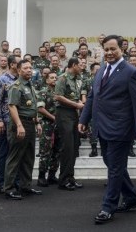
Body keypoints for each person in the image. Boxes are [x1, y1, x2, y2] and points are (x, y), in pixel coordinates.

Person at [79, 35, 136, 225]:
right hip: (101, 126)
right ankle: (131, 198)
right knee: (113, 164)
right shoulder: (101, 70)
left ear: (122, 49)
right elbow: (92, 97)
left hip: (121, 128)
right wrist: (84, 119)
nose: (109, 52)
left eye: (113, 49)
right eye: (106, 49)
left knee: (115, 168)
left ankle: (108, 207)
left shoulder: (131, 72)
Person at [4, 59, 43, 200]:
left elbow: (33, 107)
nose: (29, 70)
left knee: (29, 157)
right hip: (19, 124)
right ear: (19, 70)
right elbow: (12, 106)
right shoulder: (16, 86)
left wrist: (37, 122)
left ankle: (25, 186)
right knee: (15, 157)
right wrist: (19, 125)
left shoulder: (30, 86)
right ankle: (8, 188)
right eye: (26, 68)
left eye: (30, 68)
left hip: (30, 123)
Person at [0, 55, 20, 193]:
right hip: (6, 121)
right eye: (20, 63)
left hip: (19, 121)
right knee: (3, 152)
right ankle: (2, 181)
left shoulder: (21, 79)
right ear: (13, 65)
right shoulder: (2, 79)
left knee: (16, 153)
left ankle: (15, 181)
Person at [54, 57, 84, 191]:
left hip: (73, 114)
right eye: (80, 65)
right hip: (64, 113)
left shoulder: (77, 79)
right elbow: (58, 96)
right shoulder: (63, 78)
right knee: (67, 148)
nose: (82, 67)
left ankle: (70, 178)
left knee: (74, 147)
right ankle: (63, 179)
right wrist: (76, 104)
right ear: (73, 65)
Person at [36, 71, 60, 187]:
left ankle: (52, 175)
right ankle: (41, 176)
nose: (54, 79)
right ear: (47, 80)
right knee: (45, 151)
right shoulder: (43, 92)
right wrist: (53, 117)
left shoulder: (60, 93)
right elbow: (40, 109)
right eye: (52, 78)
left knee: (57, 150)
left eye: (56, 77)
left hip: (59, 125)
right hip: (47, 124)